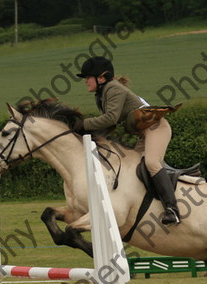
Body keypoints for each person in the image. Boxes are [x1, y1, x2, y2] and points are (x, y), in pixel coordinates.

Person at [73, 56, 181, 225]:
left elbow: (110, 118)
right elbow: (109, 126)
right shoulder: (101, 94)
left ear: (101, 78)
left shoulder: (113, 89)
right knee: (130, 169)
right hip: (143, 134)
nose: (85, 81)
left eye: (88, 77)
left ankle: (172, 209)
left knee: (152, 163)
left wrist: (82, 124)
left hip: (156, 128)